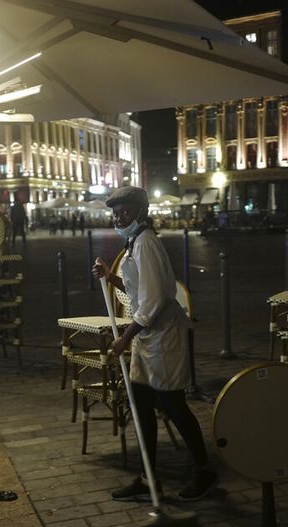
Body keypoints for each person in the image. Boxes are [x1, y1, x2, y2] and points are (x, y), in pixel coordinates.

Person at [92, 186, 218, 502]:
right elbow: (138, 290)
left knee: (174, 404)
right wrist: (112, 277)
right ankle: (148, 476)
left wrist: (124, 338)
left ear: (140, 212)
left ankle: (204, 471)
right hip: (147, 336)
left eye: (124, 211)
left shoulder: (146, 244)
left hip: (163, 335)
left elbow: (154, 301)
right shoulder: (134, 243)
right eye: (115, 212)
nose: (118, 217)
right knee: (141, 404)